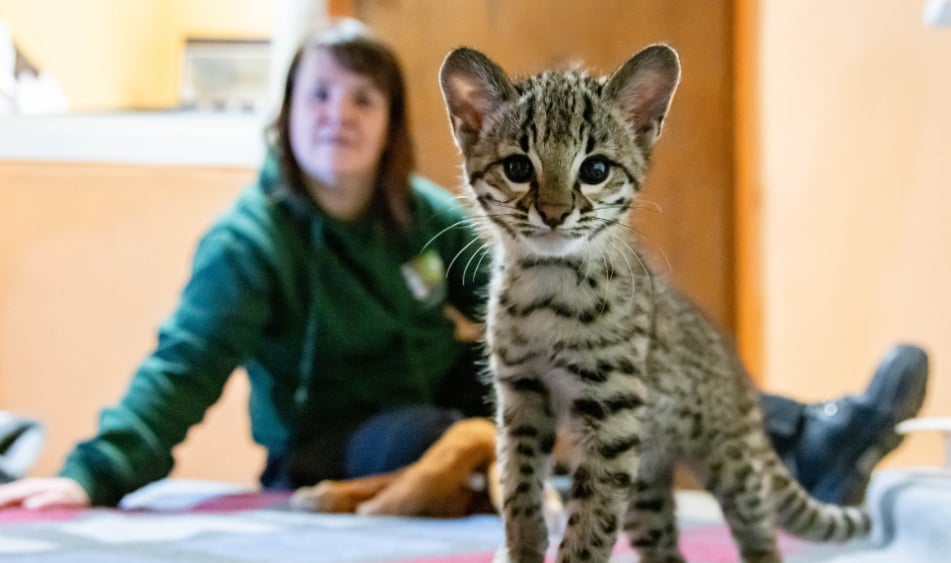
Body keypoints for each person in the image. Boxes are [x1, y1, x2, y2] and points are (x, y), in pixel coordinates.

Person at [0, 19, 930, 512]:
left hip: (445, 400)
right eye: (319, 94)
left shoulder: (424, 213)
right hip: (333, 443)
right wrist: (94, 474)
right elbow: (182, 367)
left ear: (394, 121)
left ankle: (803, 436)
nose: (339, 114)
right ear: (287, 113)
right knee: (441, 428)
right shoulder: (250, 244)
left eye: (364, 97)